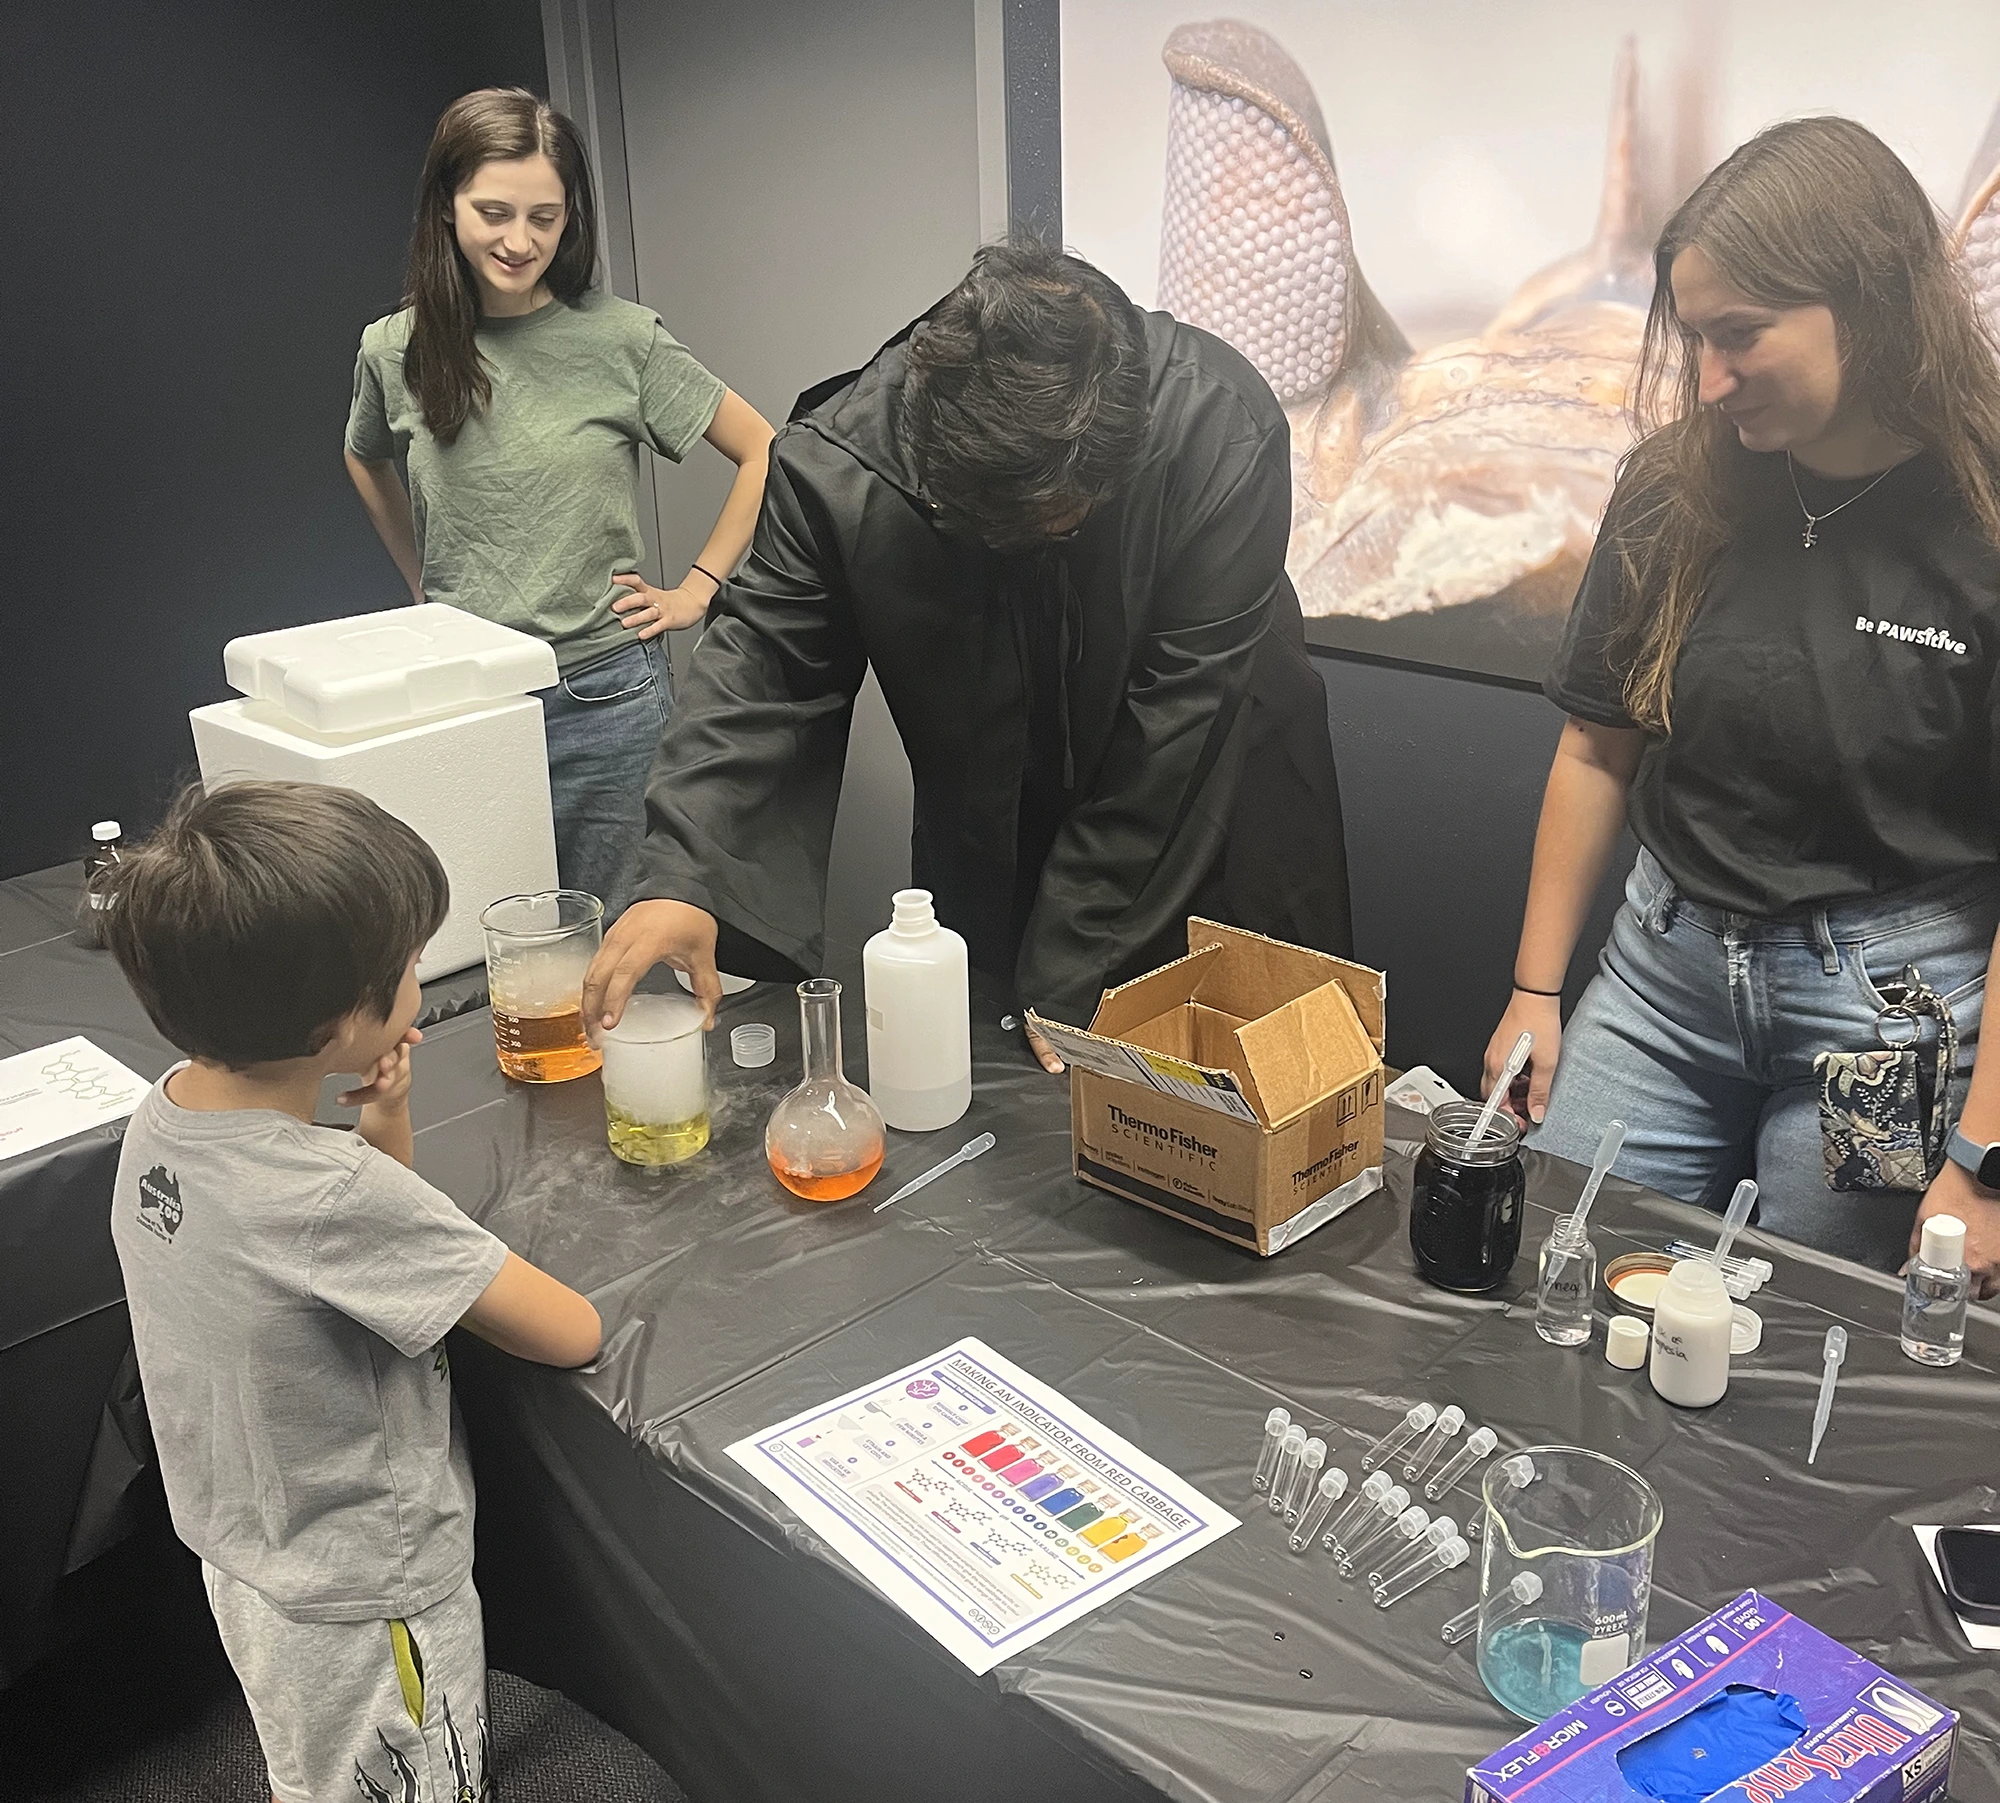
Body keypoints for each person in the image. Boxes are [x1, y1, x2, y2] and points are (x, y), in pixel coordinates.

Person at [582, 240, 1351, 1066]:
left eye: (1077, 512)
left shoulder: (1217, 425)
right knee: (999, 1061)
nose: (1064, 529)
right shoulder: (840, 464)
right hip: (998, 782)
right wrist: (687, 872)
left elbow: (1177, 728)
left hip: (1208, 777)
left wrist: (1069, 976)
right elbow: (762, 671)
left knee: (1234, 1068)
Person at [1484, 117, 2000, 1294]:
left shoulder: (1981, 517)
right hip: (1660, 980)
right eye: (1694, 339)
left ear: (1863, 306)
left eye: (1738, 338)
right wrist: (1531, 992)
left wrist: (1978, 1158)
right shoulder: (1676, 486)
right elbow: (1592, 746)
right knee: (1556, 1282)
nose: (1707, 380)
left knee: (1809, 1340)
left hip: (1886, 1023)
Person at [102, 782, 603, 1803]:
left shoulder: (160, 1123)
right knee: (412, 1779)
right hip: (369, 1593)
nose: (421, 982)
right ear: (338, 1024)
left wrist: (379, 1133)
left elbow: (334, 1254)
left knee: (315, 1763)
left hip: (249, 1559)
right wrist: (368, 1171)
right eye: (412, 969)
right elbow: (567, 1330)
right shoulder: (329, 1195)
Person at [345, 88, 775, 917]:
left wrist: (698, 589)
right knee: (481, 939)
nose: (520, 240)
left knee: (615, 946)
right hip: (463, 697)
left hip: (604, 696)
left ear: (570, 216)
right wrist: (419, 578)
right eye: (494, 211)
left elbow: (763, 449)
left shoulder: (622, 338)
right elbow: (364, 458)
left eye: (544, 216)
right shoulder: (392, 347)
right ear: (446, 205)